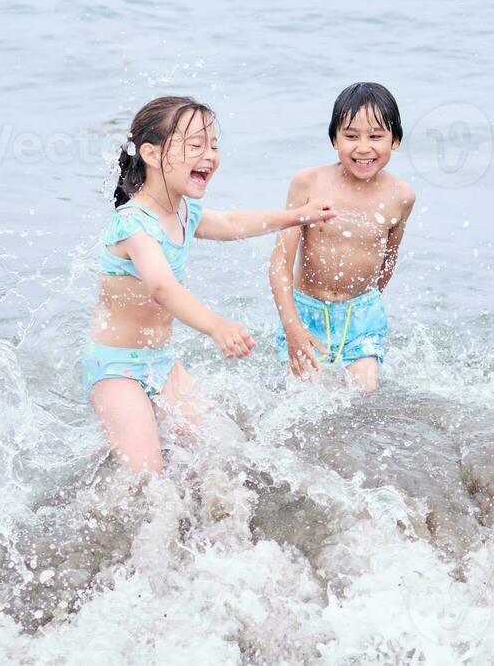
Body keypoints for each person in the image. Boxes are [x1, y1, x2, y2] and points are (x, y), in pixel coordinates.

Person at [86, 95, 337, 472]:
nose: (210, 155)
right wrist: (216, 326)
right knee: (146, 478)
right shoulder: (134, 223)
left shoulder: (184, 211)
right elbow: (161, 288)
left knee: (227, 452)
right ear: (152, 155)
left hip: (160, 362)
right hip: (116, 367)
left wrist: (297, 216)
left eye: (214, 145)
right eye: (195, 145)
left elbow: (233, 224)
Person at [269, 83, 416, 391]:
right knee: (303, 399)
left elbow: (389, 258)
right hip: (307, 311)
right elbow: (280, 263)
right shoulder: (308, 183)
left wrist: (370, 306)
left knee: (364, 398)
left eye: (376, 136)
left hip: (361, 316)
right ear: (334, 139)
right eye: (351, 136)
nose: (363, 147)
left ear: (396, 140)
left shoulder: (401, 196)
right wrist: (292, 325)